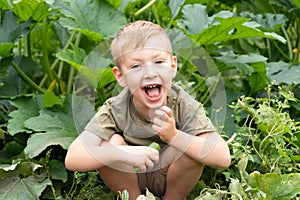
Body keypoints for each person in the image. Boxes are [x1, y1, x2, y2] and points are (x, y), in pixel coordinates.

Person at [65, 20, 231, 200]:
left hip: (170, 175)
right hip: (130, 176)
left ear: (173, 66)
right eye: (136, 66)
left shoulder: (184, 104)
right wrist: (121, 153)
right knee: (110, 143)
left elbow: (223, 157)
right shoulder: (115, 109)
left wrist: (174, 136)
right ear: (120, 76)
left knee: (191, 144)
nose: (150, 73)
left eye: (159, 62)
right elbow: (73, 158)